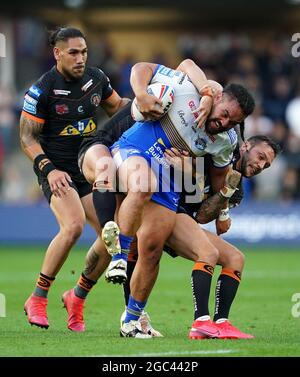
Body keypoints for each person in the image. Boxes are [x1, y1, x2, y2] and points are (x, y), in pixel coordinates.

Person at [20, 26, 130, 331]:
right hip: (56, 170)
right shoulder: (41, 90)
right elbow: (27, 138)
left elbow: (117, 108)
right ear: (57, 53)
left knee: (113, 239)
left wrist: (140, 108)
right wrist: (49, 169)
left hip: (88, 167)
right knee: (73, 226)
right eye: (73, 52)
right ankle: (38, 298)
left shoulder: (96, 78)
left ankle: (77, 296)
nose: (80, 58)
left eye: (84, 52)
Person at [121, 135, 280, 339]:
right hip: (164, 206)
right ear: (245, 146)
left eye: (266, 165)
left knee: (236, 258)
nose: (260, 165)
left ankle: (221, 322)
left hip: (184, 217)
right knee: (207, 252)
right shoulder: (216, 152)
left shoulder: (237, 189)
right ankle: (201, 321)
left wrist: (227, 191)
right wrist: (188, 170)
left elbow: (202, 215)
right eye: (261, 157)